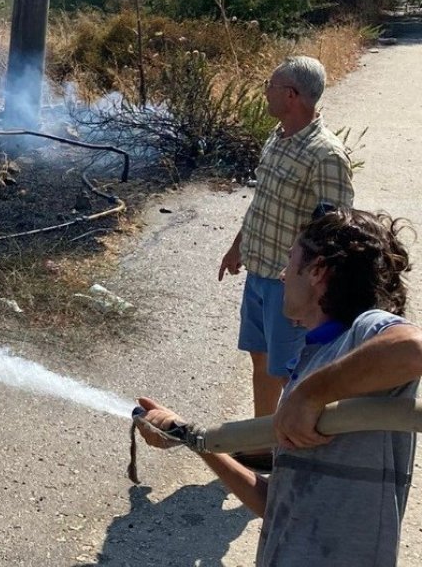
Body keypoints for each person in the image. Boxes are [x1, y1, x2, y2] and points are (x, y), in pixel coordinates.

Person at [141, 208, 422, 566]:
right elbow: (278, 504)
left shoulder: (361, 333)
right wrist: (190, 437)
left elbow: (413, 348)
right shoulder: (313, 358)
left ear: (318, 271)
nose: (283, 273)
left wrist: (309, 394)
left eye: (291, 261)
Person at [218, 55, 354, 470]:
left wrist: (306, 285)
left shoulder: (326, 154)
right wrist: (238, 245)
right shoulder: (278, 138)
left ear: (291, 95)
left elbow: (334, 230)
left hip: (288, 286)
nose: (265, 91)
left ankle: (295, 449)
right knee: (261, 359)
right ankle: (262, 444)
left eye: (270, 85)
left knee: (292, 370)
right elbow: (263, 204)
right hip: (259, 273)